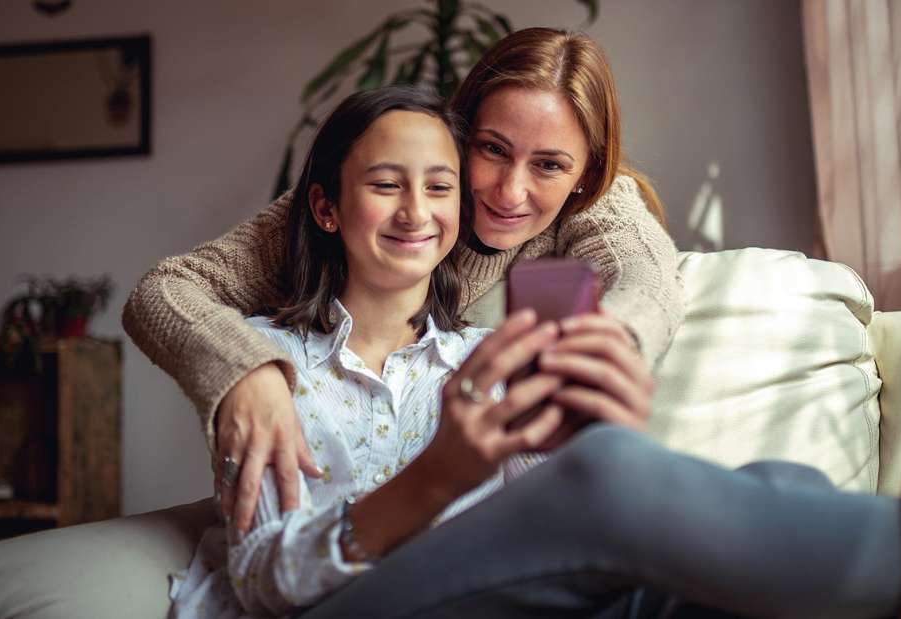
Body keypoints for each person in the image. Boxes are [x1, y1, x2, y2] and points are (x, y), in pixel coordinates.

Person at [166, 86, 901, 619]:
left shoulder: (481, 360)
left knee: (780, 490)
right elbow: (266, 581)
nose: (417, 209)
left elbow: (565, 522)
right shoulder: (262, 366)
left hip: (494, 596)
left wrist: (596, 424)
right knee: (613, 479)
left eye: (440, 185)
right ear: (325, 206)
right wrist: (441, 476)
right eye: (386, 183)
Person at [122, 27, 681, 537]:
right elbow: (166, 291)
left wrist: (612, 349)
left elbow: (647, 281)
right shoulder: (369, 202)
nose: (511, 192)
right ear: (456, 137)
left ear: (584, 174)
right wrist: (247, 371)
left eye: (550, 166)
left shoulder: (594, 207)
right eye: (491, 149)